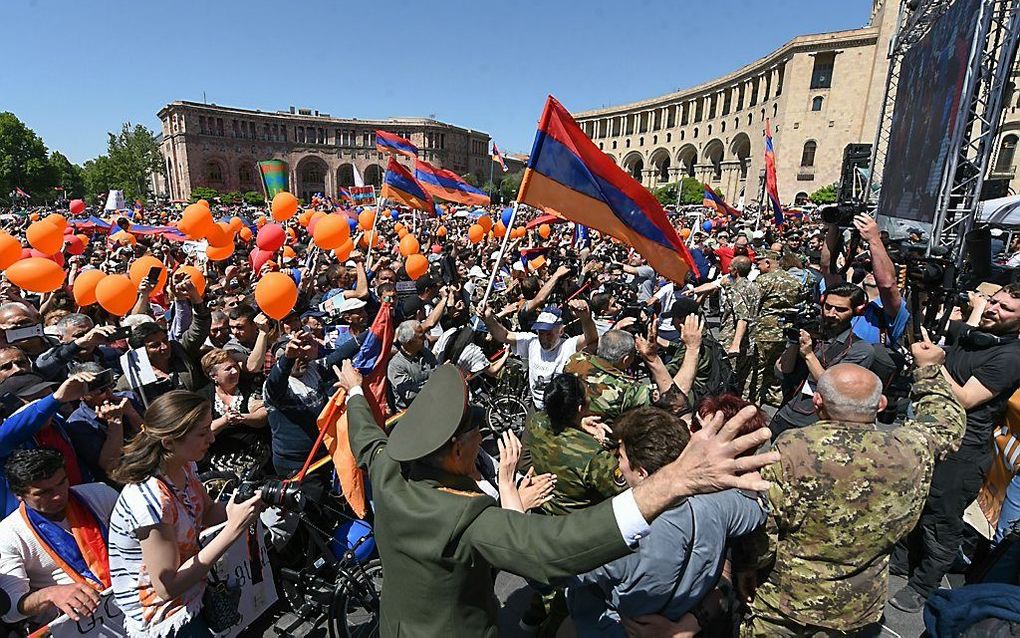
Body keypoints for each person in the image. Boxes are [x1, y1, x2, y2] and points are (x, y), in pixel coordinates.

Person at [337, 360, 779, 637]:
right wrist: (676, 480)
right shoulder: (466, 517)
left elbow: (367, 439)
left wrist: (355, 390)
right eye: (477, 435)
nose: (483, 441)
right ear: (456, 450)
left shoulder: (389, 470)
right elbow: (554, 547)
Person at [736, 337, 966, 636]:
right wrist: (928, 369)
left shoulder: (794, 448)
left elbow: (764, 524)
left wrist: (747, 567)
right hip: (859, 603)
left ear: (817, 402)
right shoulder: (912, 448)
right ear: (881, 404)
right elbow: (946, 422)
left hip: (787, 601)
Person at [567, 406, 766, 637]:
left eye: (620, 457)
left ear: (641, 473)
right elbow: (757, 509)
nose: (617, 464)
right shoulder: (715, 505)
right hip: (685, 618)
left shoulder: (621, 535)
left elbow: (550, 570)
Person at [891, 284, 1020, 612]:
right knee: (912, 502)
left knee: (941, 520)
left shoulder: (1011, 356)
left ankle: (923, 585)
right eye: (994, 302)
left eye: (1006, 309)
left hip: (961, 449)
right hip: (928, 434)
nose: (994, 309)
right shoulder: (981, 334)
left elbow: (965, 398)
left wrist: (933, 365)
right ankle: (901, 562)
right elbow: (966, 319)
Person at [106, 391, 263, 638]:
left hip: (193, 593)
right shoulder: (148, 500)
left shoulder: (185, 465)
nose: (211, 438)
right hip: (164, 616)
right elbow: (167, 587)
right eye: (202, 433)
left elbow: (208, 511)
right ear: (168, 442)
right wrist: (233, 529)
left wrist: (254, 501)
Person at [0, 449, 119, 626]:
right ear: (19, 495)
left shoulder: (100, 494)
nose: (57, 495)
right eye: (43, 492)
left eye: (62, 482)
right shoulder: (8, 535)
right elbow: (11, 610)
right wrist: (50, 594)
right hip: (82, 625)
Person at [771, 282, 876, 438]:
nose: (831, 313)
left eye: (840, 310)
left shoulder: (860, 350)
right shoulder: (812, 333)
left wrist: (808, 355)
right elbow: (781, 371)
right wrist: (794, 342)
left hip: (816, 426)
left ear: (857, 311)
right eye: (827, 307)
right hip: (786, 414)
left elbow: (833, 388)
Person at [525, 373, 624, 516]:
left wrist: (579, 424)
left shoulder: (536, 422)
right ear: (580, 408)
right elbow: (625, 490)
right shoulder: (594, 455)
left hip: (542, 510)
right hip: (576, 522)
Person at [482, 300, 599, 410]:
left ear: (561, 331)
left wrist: (586, 319)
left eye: (549, 334)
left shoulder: (568, 346)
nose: (544, 338)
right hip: (536, 407)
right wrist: (489, 319)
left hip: (560, 410)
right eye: (541, 333)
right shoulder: (532, 342)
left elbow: (591, 339)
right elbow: (504, 335)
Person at [562, 329, 672, 427]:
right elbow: (671, 399)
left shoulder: (575, 360)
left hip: (569, 426)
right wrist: (652, 359)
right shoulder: (627, 389)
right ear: (626, 359)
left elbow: (591, 346)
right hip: (602, 441)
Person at [63, 362, 143, 485]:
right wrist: (115, 423)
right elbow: (109, 465)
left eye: (108, 387)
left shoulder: (128, 398)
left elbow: (152, 438)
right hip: (120, 482)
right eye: (99, 391)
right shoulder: (78, 423)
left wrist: (131, 413)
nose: (108, 394)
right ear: (81, 395)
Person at [744, 250, 805, 406]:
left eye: (760, 263)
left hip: (764, 329)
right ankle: (774, 394)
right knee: (776, 364)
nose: (757, 266)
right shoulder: (795, 281)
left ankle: (753, 399)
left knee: (757, 366)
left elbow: (752, 302)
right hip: (786, 329)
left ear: (768, 263)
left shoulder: (764, 281)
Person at [199, 348, 268, 469]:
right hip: (220, 461)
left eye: (235, 366)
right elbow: (202, 430)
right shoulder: (203, 397)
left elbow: (262, 417)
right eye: (228, 369)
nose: (235, 371)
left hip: (255, 457)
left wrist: (242, 418)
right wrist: (225, 420)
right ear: (213, 376)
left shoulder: (249, 388)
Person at [387, 319, 439, 410]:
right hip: (412, 413)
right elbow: (410, 395)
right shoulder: (396, 366)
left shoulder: (425, 352)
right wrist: (434, 382)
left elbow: (437, 371)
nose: (425, 338)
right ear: (409, 342)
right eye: (421, 337)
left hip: (434, 402)